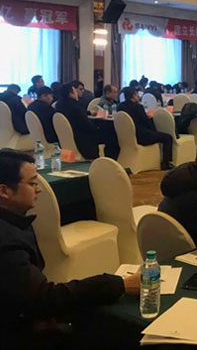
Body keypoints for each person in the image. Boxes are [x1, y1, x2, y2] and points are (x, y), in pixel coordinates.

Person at [0, 150, 139, 349]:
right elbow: (45, 299)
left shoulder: (14, 223)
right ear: (4, 191)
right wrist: (118, 284)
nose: (39, 190)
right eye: (32, 183)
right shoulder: (7, 243)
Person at [55, 84, 117, 159]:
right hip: (82, 140)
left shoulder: (59, 105)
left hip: (67, 140)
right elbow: (87, 126)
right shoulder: (75, 107)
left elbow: (76, 115)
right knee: (111, 136)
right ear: (71, 94)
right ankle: (109, 160)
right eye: (75, 92)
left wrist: (88, 113)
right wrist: (97, 128)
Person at [117, 87, 173, 169]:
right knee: (168, 138)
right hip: (142, 137)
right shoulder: (138, 107)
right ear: (133, 95)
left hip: (127, 137)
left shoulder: (119, 106)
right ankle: (165, 164)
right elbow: (147, 123)